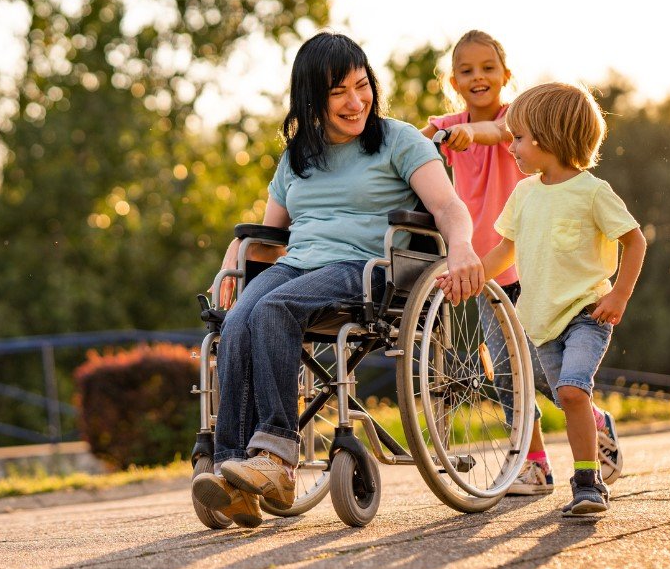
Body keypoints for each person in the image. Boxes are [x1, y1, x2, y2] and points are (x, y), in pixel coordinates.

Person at [191, 31, 485, 528]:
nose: (357, 102)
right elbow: (268, 235)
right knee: (237, 317)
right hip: (297, 265)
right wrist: (230, 261)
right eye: (339, 92)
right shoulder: (297, 158)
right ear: (311, 100)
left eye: (362, 85)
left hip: (365, 268)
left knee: (273, 309)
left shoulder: (397, 140)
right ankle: (232, 474)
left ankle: (277, 459)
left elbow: (448, 207)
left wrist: (461, 246)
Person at [421, 30, 623, 496]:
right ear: (453, 80)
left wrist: (470, 134)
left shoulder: (523, 121)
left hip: (533, 270)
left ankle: (592, 420)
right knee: (511, 373)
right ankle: (533, 464)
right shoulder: (448, 122)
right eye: (467, 71)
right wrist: (418, 142)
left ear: (505, 75)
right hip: (486, 267)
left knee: (553, 378)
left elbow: (496, 131)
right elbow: (416, 143)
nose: (478, 77)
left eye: (488, 68)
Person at [451, 81, 647, 516]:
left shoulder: (593, 192)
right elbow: (506, 249)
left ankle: (587, 484)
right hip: (541, 319)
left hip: (587, 313)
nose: (512, 147)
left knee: (573, 392)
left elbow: (635, 243)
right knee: (566, 398)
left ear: (546, 139)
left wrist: (619, 295)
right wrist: (473, 276)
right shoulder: (524, 194)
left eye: (517, 138)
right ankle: (595, 429)